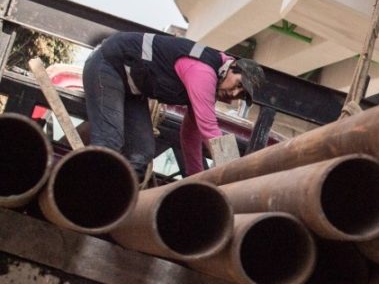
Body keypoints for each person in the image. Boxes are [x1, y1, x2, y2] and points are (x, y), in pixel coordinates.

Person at [82, 31, 266, 178]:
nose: (234, 93)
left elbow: (190, 136)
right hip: (108, 65)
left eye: (240, 94)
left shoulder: (210, 87)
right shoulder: (204, 72)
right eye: (238, 84)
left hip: (132, 88)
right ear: (232, 67)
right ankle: (83, 198)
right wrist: (233, 173)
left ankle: (114, 203)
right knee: (108, 142)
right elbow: (209, 130)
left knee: (141, 154)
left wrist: (197, 179)